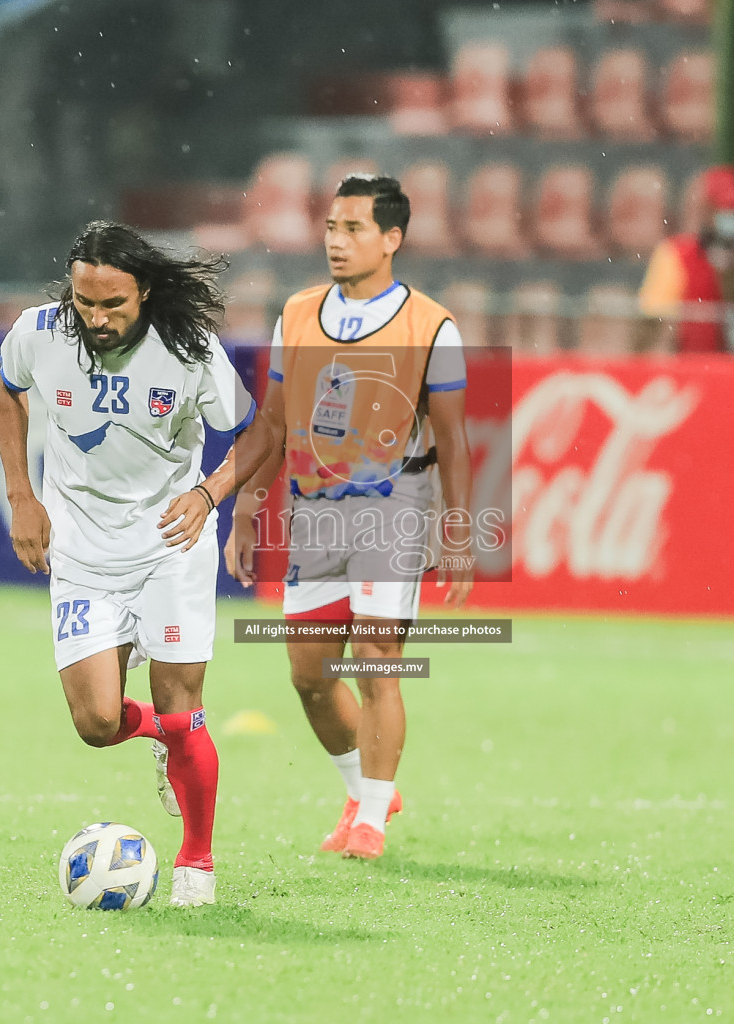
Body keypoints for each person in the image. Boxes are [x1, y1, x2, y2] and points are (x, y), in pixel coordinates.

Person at [0, 221, 273, 907]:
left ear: (143, 292)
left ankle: (196, 866)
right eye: (86, 301)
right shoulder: (39, 333)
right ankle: (160, 736)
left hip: (167, 546)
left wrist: (209, 495)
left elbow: (263, 433)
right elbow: (6, 391)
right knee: (94, 723)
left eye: (113, 303)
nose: (97, 317)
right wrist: (21, 496)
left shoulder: (188, 349)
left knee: (186, 710)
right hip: (83, 552)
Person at [223, 175, 474, 861]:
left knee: (376, 660)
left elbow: (451, 439)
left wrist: (456, 530)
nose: (337, 240)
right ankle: (365, 788)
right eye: (331, 227)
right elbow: (272, 423)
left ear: (391, 239)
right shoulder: (297, 313)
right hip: (315, 508)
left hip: (396, 503)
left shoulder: (431, 325)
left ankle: (368, 822)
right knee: (308, 675)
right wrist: (248, 508)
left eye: (354, 228)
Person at [637, 165, 734, 356]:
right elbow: (656, 329)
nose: (733, 218)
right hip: (691, 367)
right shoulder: (676, 255)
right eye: (725, 211)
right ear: (707, 212)